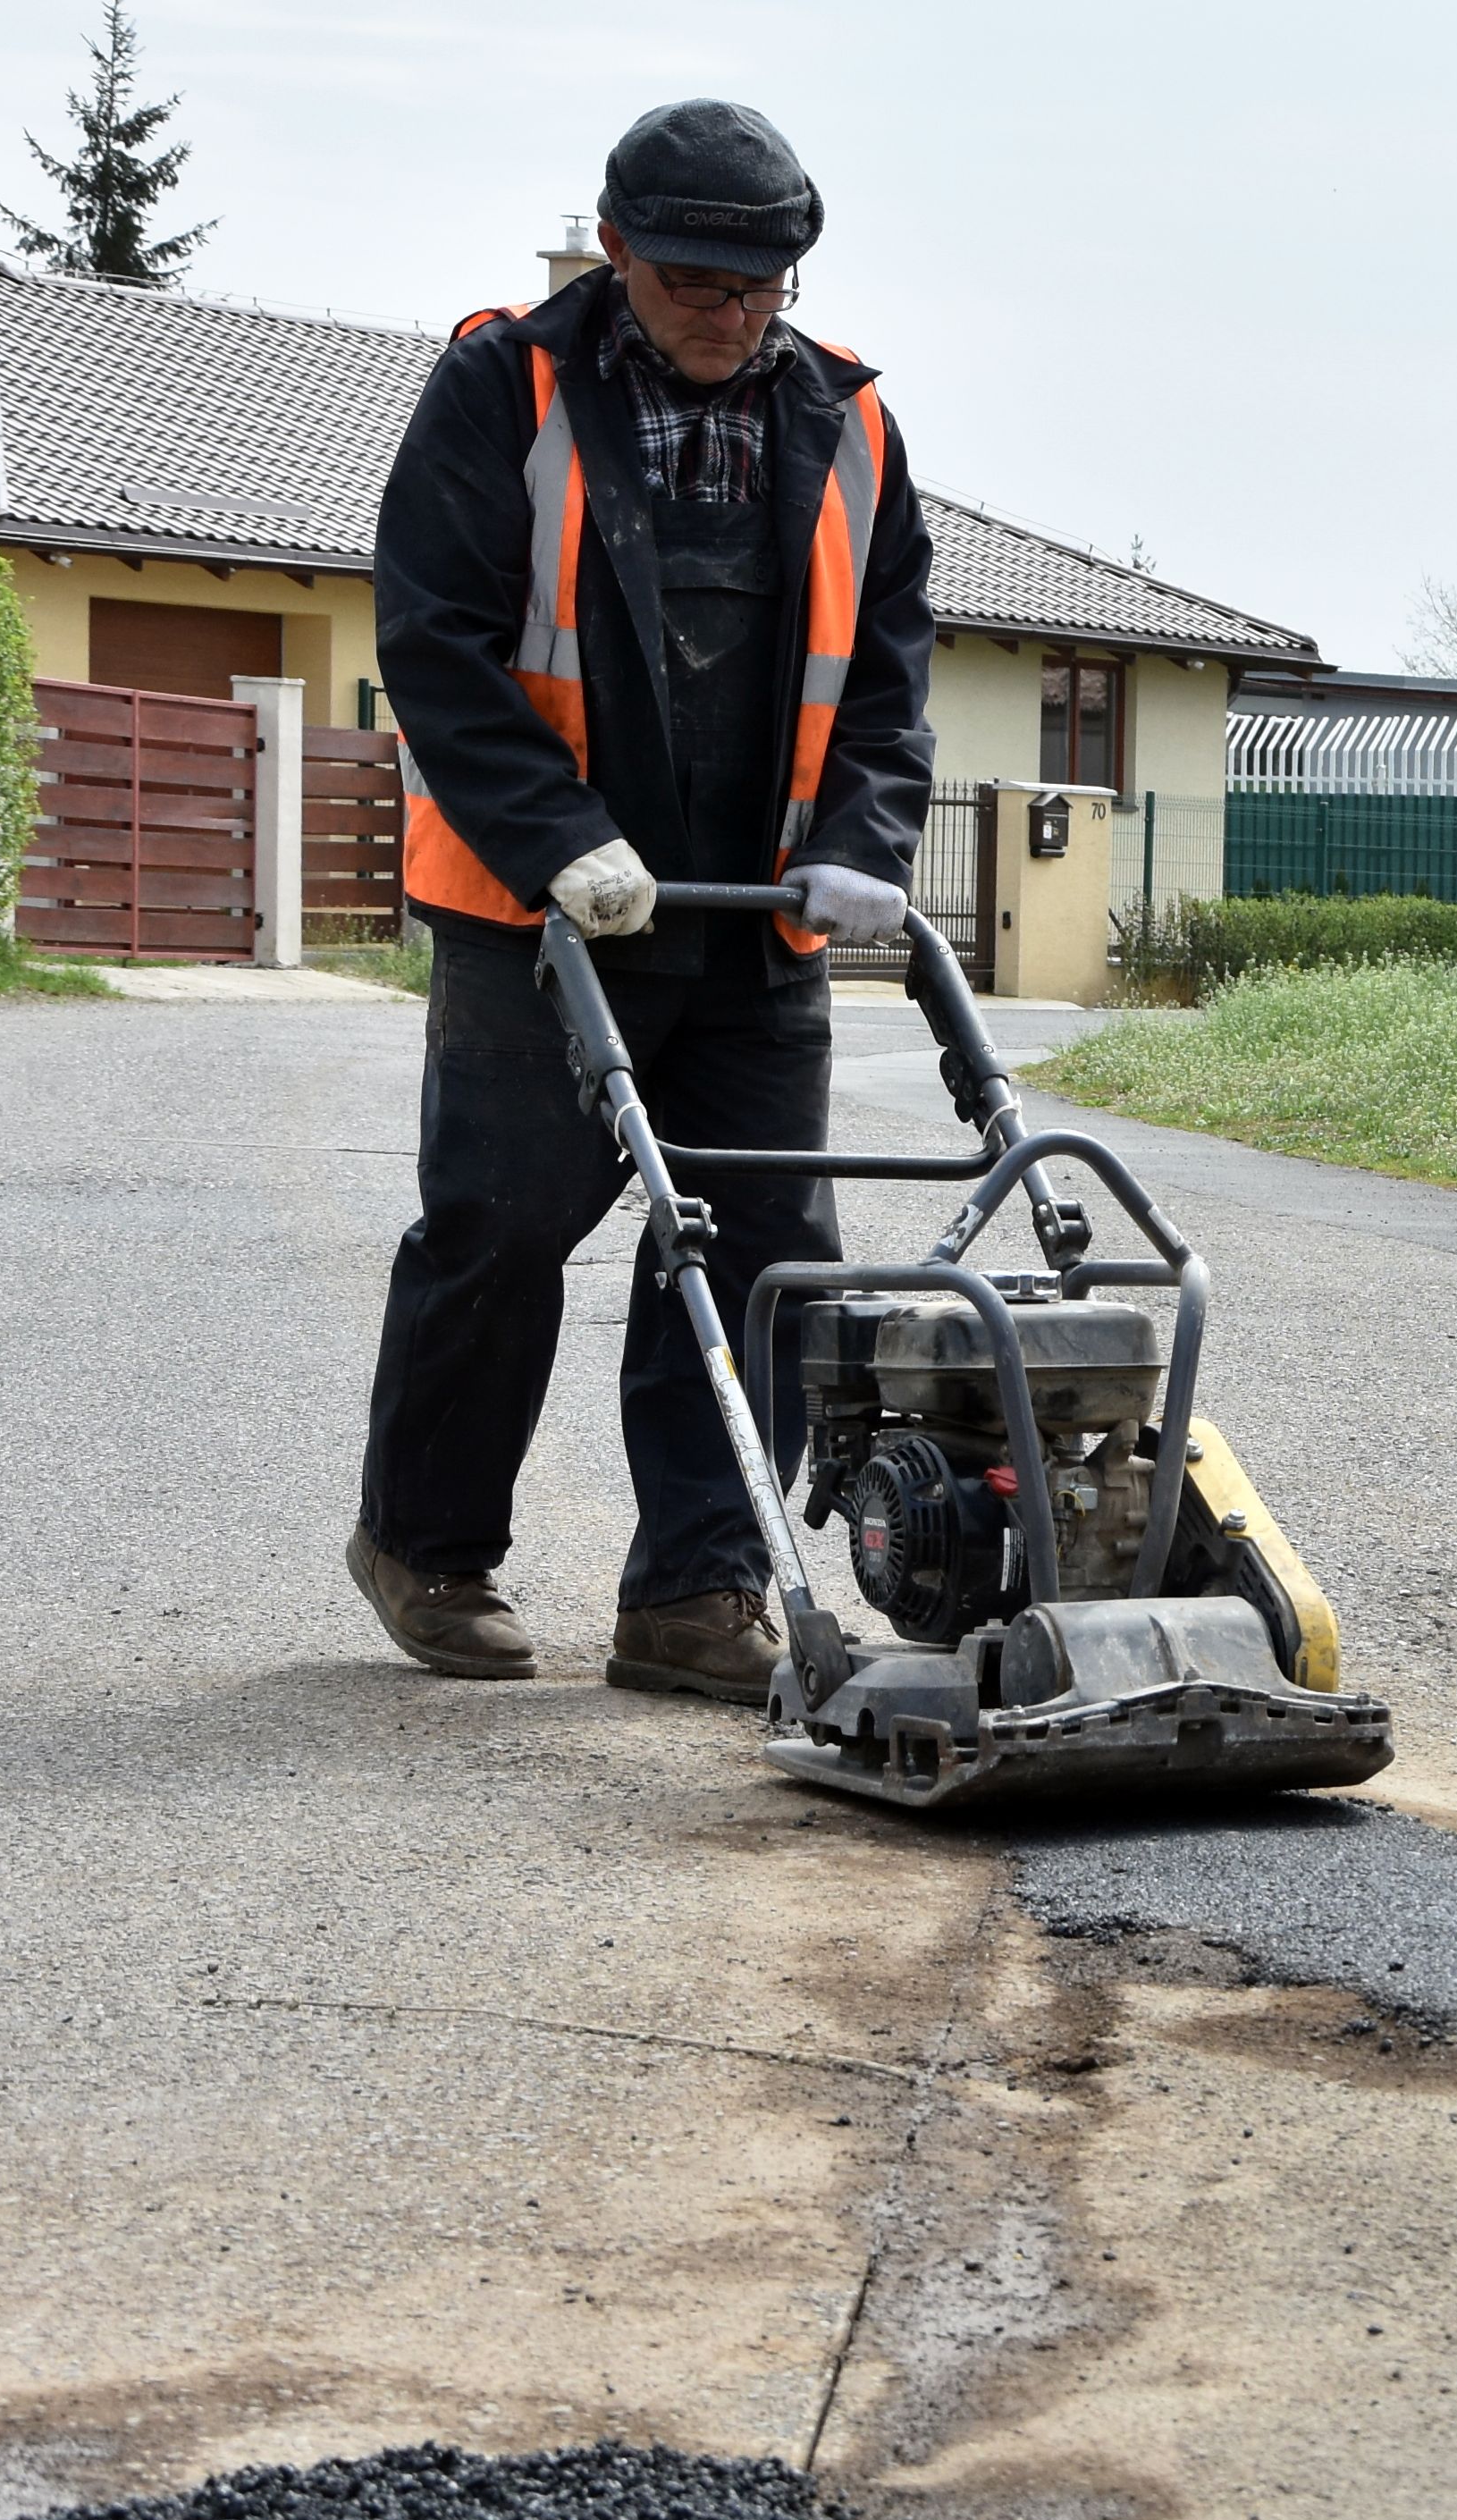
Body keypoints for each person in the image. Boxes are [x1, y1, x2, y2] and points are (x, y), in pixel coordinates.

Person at [347, 99, 936, 1702]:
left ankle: (696, 1592)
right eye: (694, 286)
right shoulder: (505, 388)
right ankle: (426, 1548)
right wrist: (556, 836)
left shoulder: (850, 423)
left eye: (761, 290)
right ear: (615, 251)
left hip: (756, 918)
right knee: (500, 1228)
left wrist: (866, 836)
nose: (731, 316)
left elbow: (888, 677)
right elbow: (436, 642)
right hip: (541, 915)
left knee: (760, 1252)